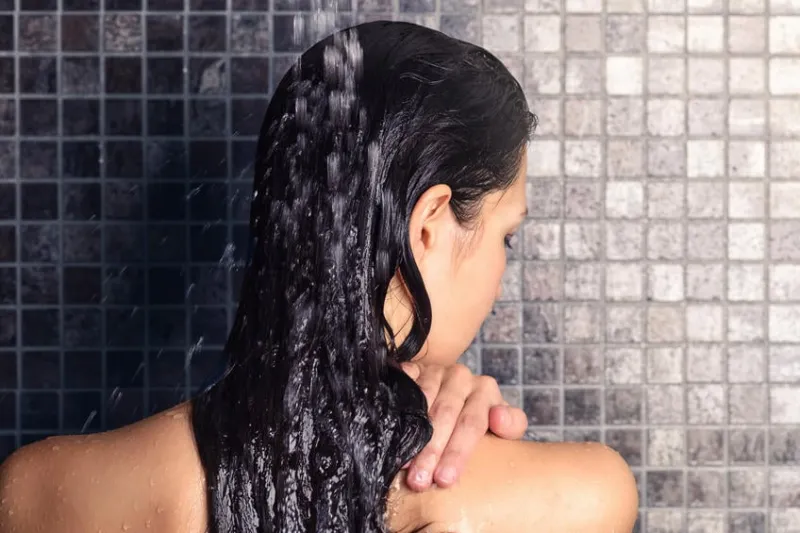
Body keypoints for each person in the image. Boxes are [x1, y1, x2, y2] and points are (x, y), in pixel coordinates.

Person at [0, 20, 638, 533]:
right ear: (429, 223)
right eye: (506, 235)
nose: (502, 270)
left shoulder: (40, 495)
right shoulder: (578, 502)